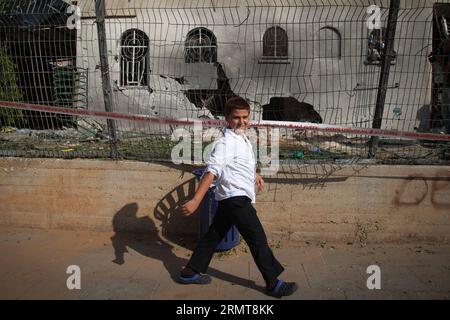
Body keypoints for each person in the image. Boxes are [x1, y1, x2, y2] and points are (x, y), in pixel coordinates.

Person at [178, 96, 297, 298]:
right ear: (226, 118)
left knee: (213, 235)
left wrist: (255, 175)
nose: (241, 122)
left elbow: (241, 163)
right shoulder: (225, 143)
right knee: (258, 239)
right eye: (236, 118)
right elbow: (212, 171)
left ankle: (190, 272)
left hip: (231, 198)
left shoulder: (241, 138)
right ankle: (273, 283)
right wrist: (196, 200)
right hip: (236, 200)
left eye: (245, 117)